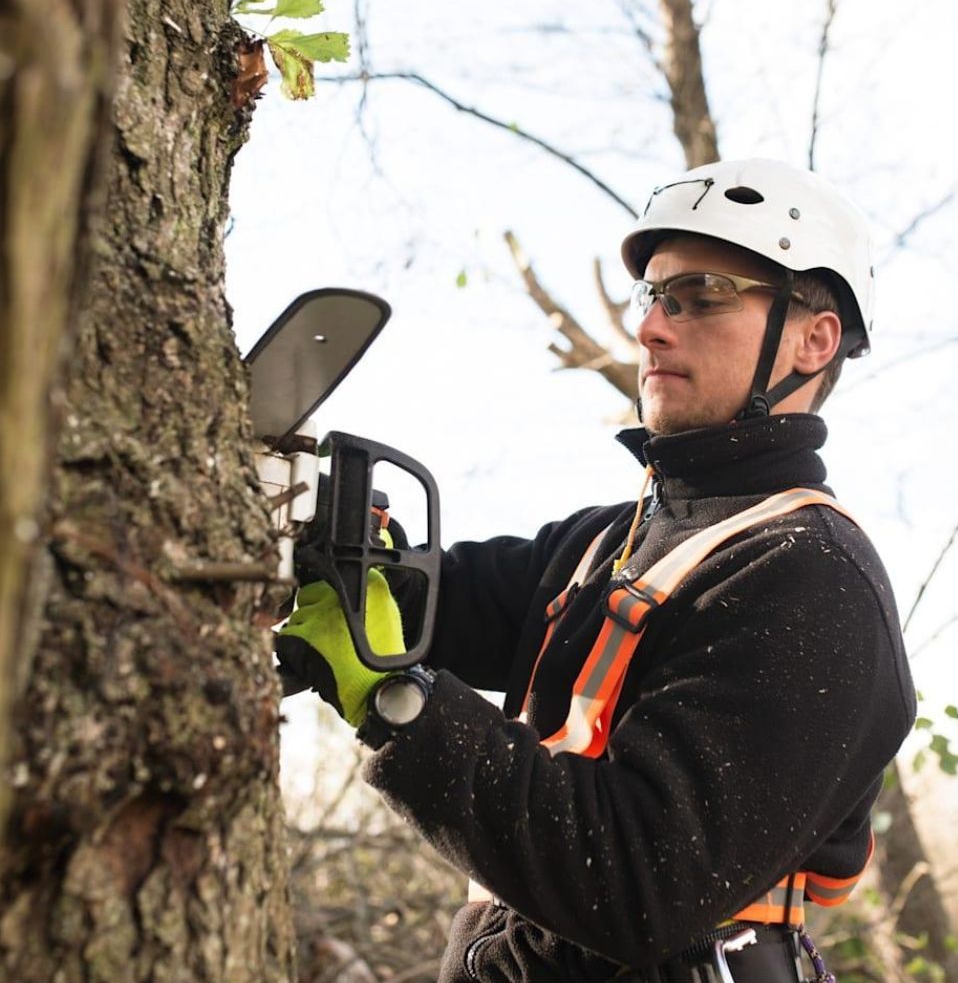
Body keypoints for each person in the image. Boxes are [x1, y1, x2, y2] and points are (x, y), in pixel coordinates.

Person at [276, 157, 917, 983]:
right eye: (652, 296)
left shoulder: (809, 580)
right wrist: (318, 531)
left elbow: (638, 882)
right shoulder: (607, 541)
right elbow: (433, 597)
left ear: (812, 338)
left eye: (702, 296)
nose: (651, 327)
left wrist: (398, 707)